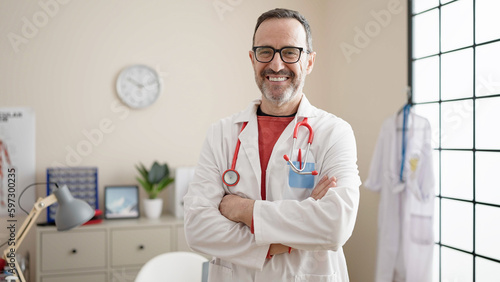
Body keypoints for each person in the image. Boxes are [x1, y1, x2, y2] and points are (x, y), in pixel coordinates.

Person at [184, 8, 361, 281]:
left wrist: (243, 210)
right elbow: (198, 228)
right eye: (265, 51)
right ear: (252, 59)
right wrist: (289, 236)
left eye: (290, 52)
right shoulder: (220, 134)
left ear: (309, 61)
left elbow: (335, 226)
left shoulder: (334, 132)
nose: (276, 65)